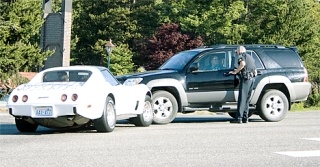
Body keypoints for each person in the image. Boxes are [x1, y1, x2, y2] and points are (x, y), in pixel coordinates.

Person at [229, 46, 257, 123]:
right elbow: (255, 71)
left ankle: (239, 118)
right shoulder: (250, 57)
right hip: (251, 80)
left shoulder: (241, 56)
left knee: (242, 99)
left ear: (240, 50)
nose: (236, 53)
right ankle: (245, 117)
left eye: (237, 51)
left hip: (245, 79)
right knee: (247, 100)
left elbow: (242, 64)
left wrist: (236, 71)